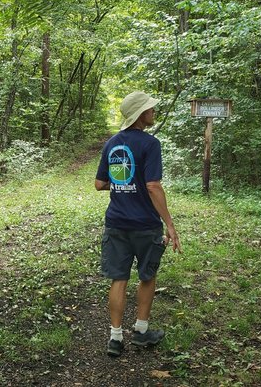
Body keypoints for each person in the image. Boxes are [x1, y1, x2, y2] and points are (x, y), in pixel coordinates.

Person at [94, 91, 181, 357]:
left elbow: (99, 184)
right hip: (145, 224)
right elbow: (153, 185)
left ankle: (115, 338)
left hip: (116, 223)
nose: (153, 112)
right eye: (150, 109)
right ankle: (141, 331)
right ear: (140, 114)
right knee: (147, 275)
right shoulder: (150, 144)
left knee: (118, 278)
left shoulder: (112, 143)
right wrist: (170, 224)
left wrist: (123, 183)